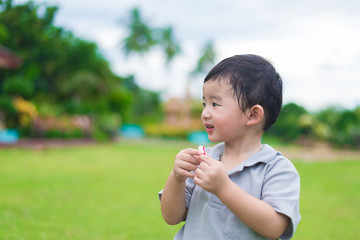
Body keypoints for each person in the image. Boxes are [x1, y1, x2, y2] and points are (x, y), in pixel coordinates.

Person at [159, 54, 301, 240]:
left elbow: (274, 227)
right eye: (204, 104)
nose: (204, 114)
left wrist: (223, 188)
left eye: (215, 104)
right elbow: (171, 217)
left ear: (252, 115)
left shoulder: (276, 169)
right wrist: (177, 177)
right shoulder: (202, 161)